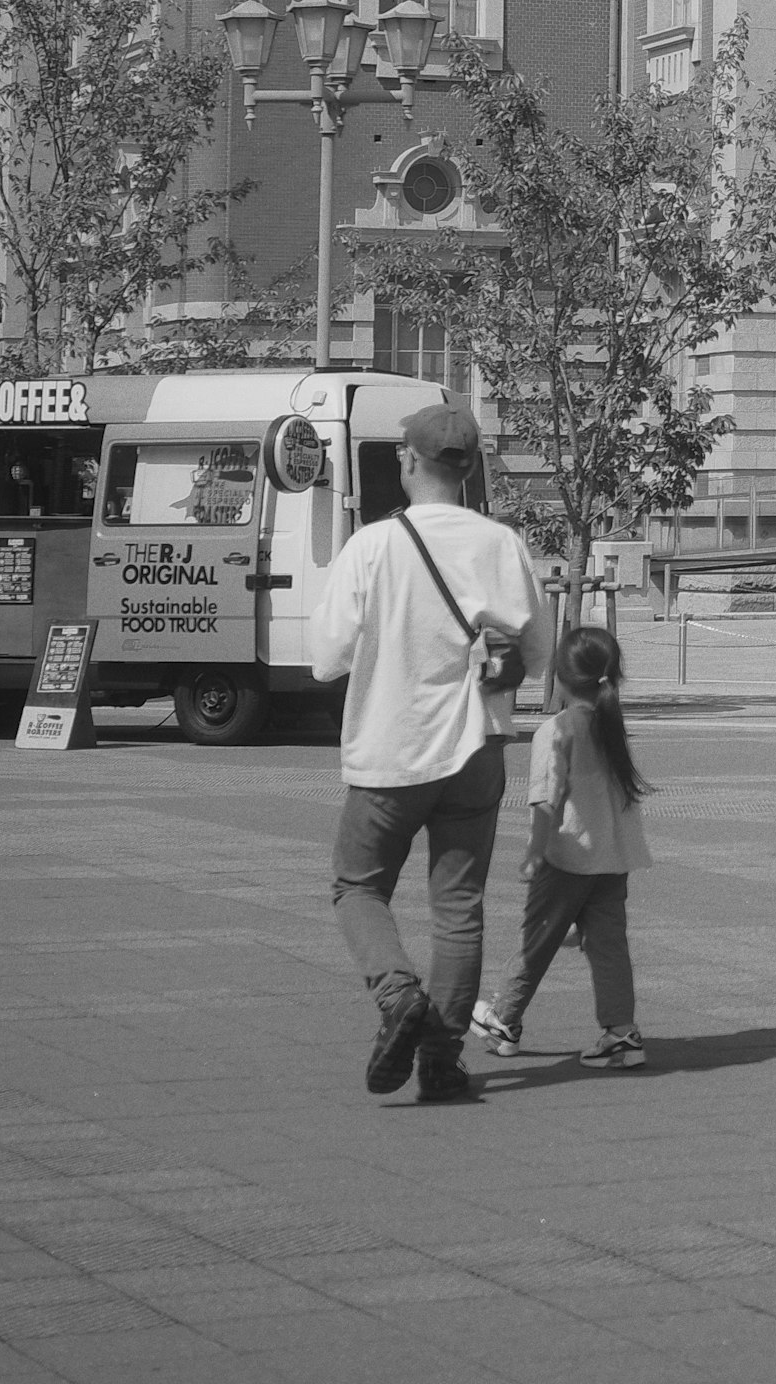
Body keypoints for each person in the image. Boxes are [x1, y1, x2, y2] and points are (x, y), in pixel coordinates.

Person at [314, 402, 543, 1105]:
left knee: (358, 886)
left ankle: (397, 994)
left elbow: (325, 659)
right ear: (470, 467)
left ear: (407, 463)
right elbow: (536, 657)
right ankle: (443, 1060)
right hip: (476, 748)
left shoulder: (373, 548)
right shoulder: (502, 545)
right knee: (459, 905)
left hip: (391, 745)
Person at [475, 625, 651, 1069]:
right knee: (609, 945)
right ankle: (620, 1031)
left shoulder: (556, 730)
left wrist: (535, 851)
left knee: (537, 938)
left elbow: (546, 799)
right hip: (613, 857)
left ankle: (504, 1017)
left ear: (560, 676)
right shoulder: (611, 724)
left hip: (568, 855)